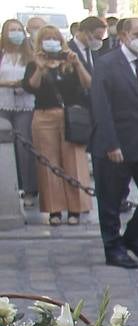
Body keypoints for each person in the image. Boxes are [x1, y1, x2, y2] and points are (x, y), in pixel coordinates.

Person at [89, 17, 138, 268]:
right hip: (114, 144)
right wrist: (111, 144)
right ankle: (113, 248)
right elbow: (101, 106)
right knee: (110, 199)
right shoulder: (106, 63)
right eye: (137, 34)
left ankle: (135, 239)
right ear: (123, 35)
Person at [22, 25, 91, 225]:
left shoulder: (69, 61)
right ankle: (54, 210)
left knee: (74, 160)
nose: (51, 40)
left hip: (70, 116)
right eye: (46, 38)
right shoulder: (34, 63)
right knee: (48, 162)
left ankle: (76, 209)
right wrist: (40, 68)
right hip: (44, 115)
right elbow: (30, 87)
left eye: (54, 37)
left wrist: (77, 64)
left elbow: (88, 84)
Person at [0, 19, 37, 208]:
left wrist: (21, 85)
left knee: (25, 146)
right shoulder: (2, 54)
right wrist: (8, 84)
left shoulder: (30, 55)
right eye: (11, 30)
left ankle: (29, 189)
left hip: (25, 104)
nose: (15, 33)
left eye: (18, 30)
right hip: (3, 104)